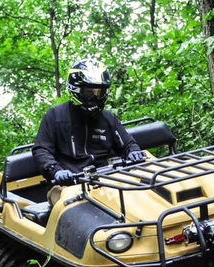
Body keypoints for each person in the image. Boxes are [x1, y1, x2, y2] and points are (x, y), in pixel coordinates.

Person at [32, 58, 145, 204]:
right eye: (89, 92)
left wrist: (133, 152)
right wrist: (56, 170)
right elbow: (41, 149)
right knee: (68, 204)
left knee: (141, 197)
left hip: (109, 181)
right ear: (76, 89)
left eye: (99, 92)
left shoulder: (108, 118)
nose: (95, 97)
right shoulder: (55, 116)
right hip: (68, 184)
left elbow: (128, 144)